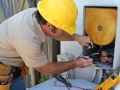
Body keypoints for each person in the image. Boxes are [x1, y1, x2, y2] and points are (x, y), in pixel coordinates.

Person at [0, 0, 93, 90]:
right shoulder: (27, 38)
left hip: (13, 72)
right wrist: (76, 63)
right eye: (64, 28)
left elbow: (55, 32)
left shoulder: (38, 15)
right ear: (49, 25)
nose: (65, 31)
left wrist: (78, 38)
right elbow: (45, 69)